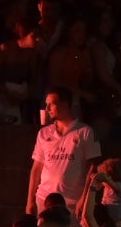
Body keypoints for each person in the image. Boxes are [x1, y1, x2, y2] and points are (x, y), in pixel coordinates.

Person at [26, 86, 100, 215]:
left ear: (65, 105)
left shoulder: (85, 132)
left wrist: (85, 199)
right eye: (46, 104)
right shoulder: (43, 133)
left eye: (51, 104)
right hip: (44, 199)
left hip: (72, 202)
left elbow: (93, 168)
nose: (47, 109)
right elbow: (36, 169)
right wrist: (30, 201)